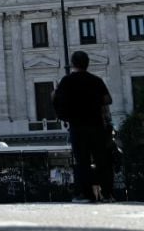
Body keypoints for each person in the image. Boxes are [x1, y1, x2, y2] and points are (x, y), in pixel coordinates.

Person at [52, 50, 113, 203]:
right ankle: (107, 194)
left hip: (77, 126)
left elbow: (55, 98)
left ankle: (86, 195)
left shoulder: (66, 81)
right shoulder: (96, 80)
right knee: (102, 160)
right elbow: (107, 99)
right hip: (96, 125)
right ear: (87, 63)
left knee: (82, 161)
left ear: (72, 64)